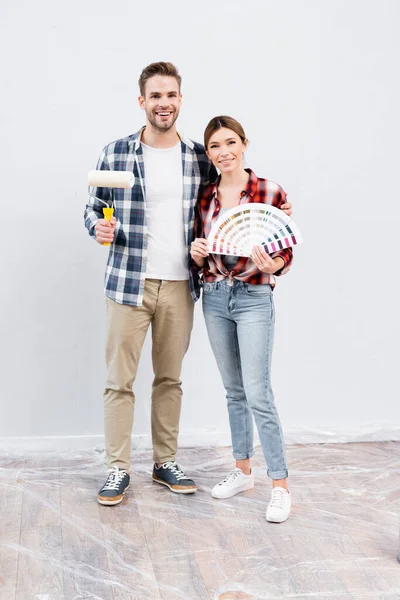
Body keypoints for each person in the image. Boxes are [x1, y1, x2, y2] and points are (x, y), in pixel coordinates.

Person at [83, 62, 220, 505]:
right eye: (156, 96)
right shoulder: (116, 152)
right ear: (142, 101)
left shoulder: (200, 157)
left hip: (180, 285)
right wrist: (98, 227)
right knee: (119, 380)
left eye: (172, 95)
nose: (165, 103)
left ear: (181, 99)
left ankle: (165, 462)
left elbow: (228, 201)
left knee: (169, 379)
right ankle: (117, 469)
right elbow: (94, 207)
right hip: (128, 283)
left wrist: (274, 200)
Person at [190, 116, 293, 523]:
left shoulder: (269, 190)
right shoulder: (205, 196)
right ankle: (243, 471)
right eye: (215, 146)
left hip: (253, 297)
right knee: (233, 390)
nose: (224, 152)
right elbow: (198, 251)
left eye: (230, 142)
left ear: (245, 144)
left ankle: (280, 485)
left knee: (258, 392)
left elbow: (287, 250)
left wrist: (276, 262)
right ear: (209, 152)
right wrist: (197, 255)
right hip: (214, 296)